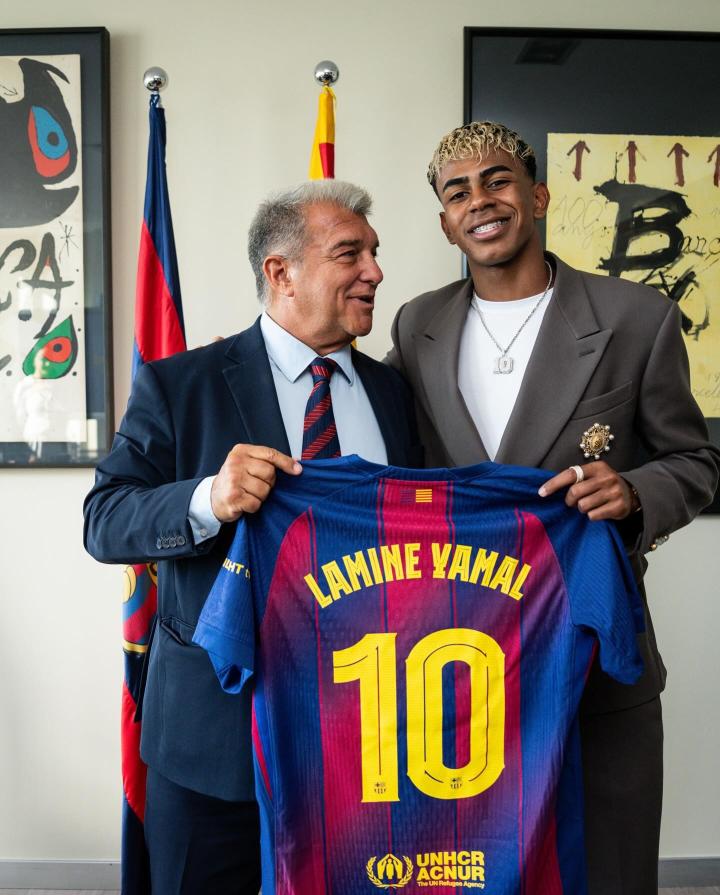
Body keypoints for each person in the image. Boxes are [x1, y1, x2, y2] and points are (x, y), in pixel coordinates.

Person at [387, 121, 720, 895]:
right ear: (445, 222)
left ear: (537, 196)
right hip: (460, 661)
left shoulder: (637, 315)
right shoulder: (416, 325)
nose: (480, 201)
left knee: (607, 868)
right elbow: (376, 447)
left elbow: (697, 462)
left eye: (497, 180)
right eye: (458, 192)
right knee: (475, 871)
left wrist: (635, 492)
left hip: (593, 651)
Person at [84, 180, 422, 895]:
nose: (375, 272)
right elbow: (105, 519)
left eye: (374, 253)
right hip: (215, 746)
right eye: (350, 254)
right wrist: (208, 497)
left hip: (367, 743)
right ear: (281, 272)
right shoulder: (181, 383)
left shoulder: (394, 394)